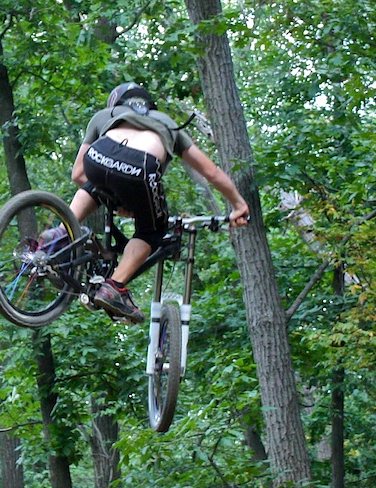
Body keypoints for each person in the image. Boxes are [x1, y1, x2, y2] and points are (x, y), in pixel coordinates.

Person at [68, 82, 249, 324]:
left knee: (93, 184)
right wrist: (238, 205)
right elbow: (212, 173)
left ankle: (56, 237)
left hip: (98, 157)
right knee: (153, 230)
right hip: (140, 166)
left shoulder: (105, 116)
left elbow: (78, 175)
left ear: (117, 103)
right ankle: (115, 287)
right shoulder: (166, 123)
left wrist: (113, 198)